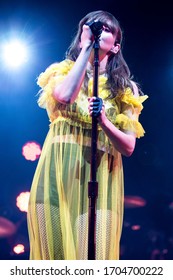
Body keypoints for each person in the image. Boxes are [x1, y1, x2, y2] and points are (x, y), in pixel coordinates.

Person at [27, 10, 148, 260]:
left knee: (92, 263)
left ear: (116, 45)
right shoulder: (61, 72)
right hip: (57, 176)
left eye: (106, 28)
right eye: (92, 26)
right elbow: (65, 97)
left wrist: (104, 121)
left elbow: (128, 146)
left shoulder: (125, 89)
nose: (97, 30)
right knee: (54, 264)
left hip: (100, 179)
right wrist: (86, 50)